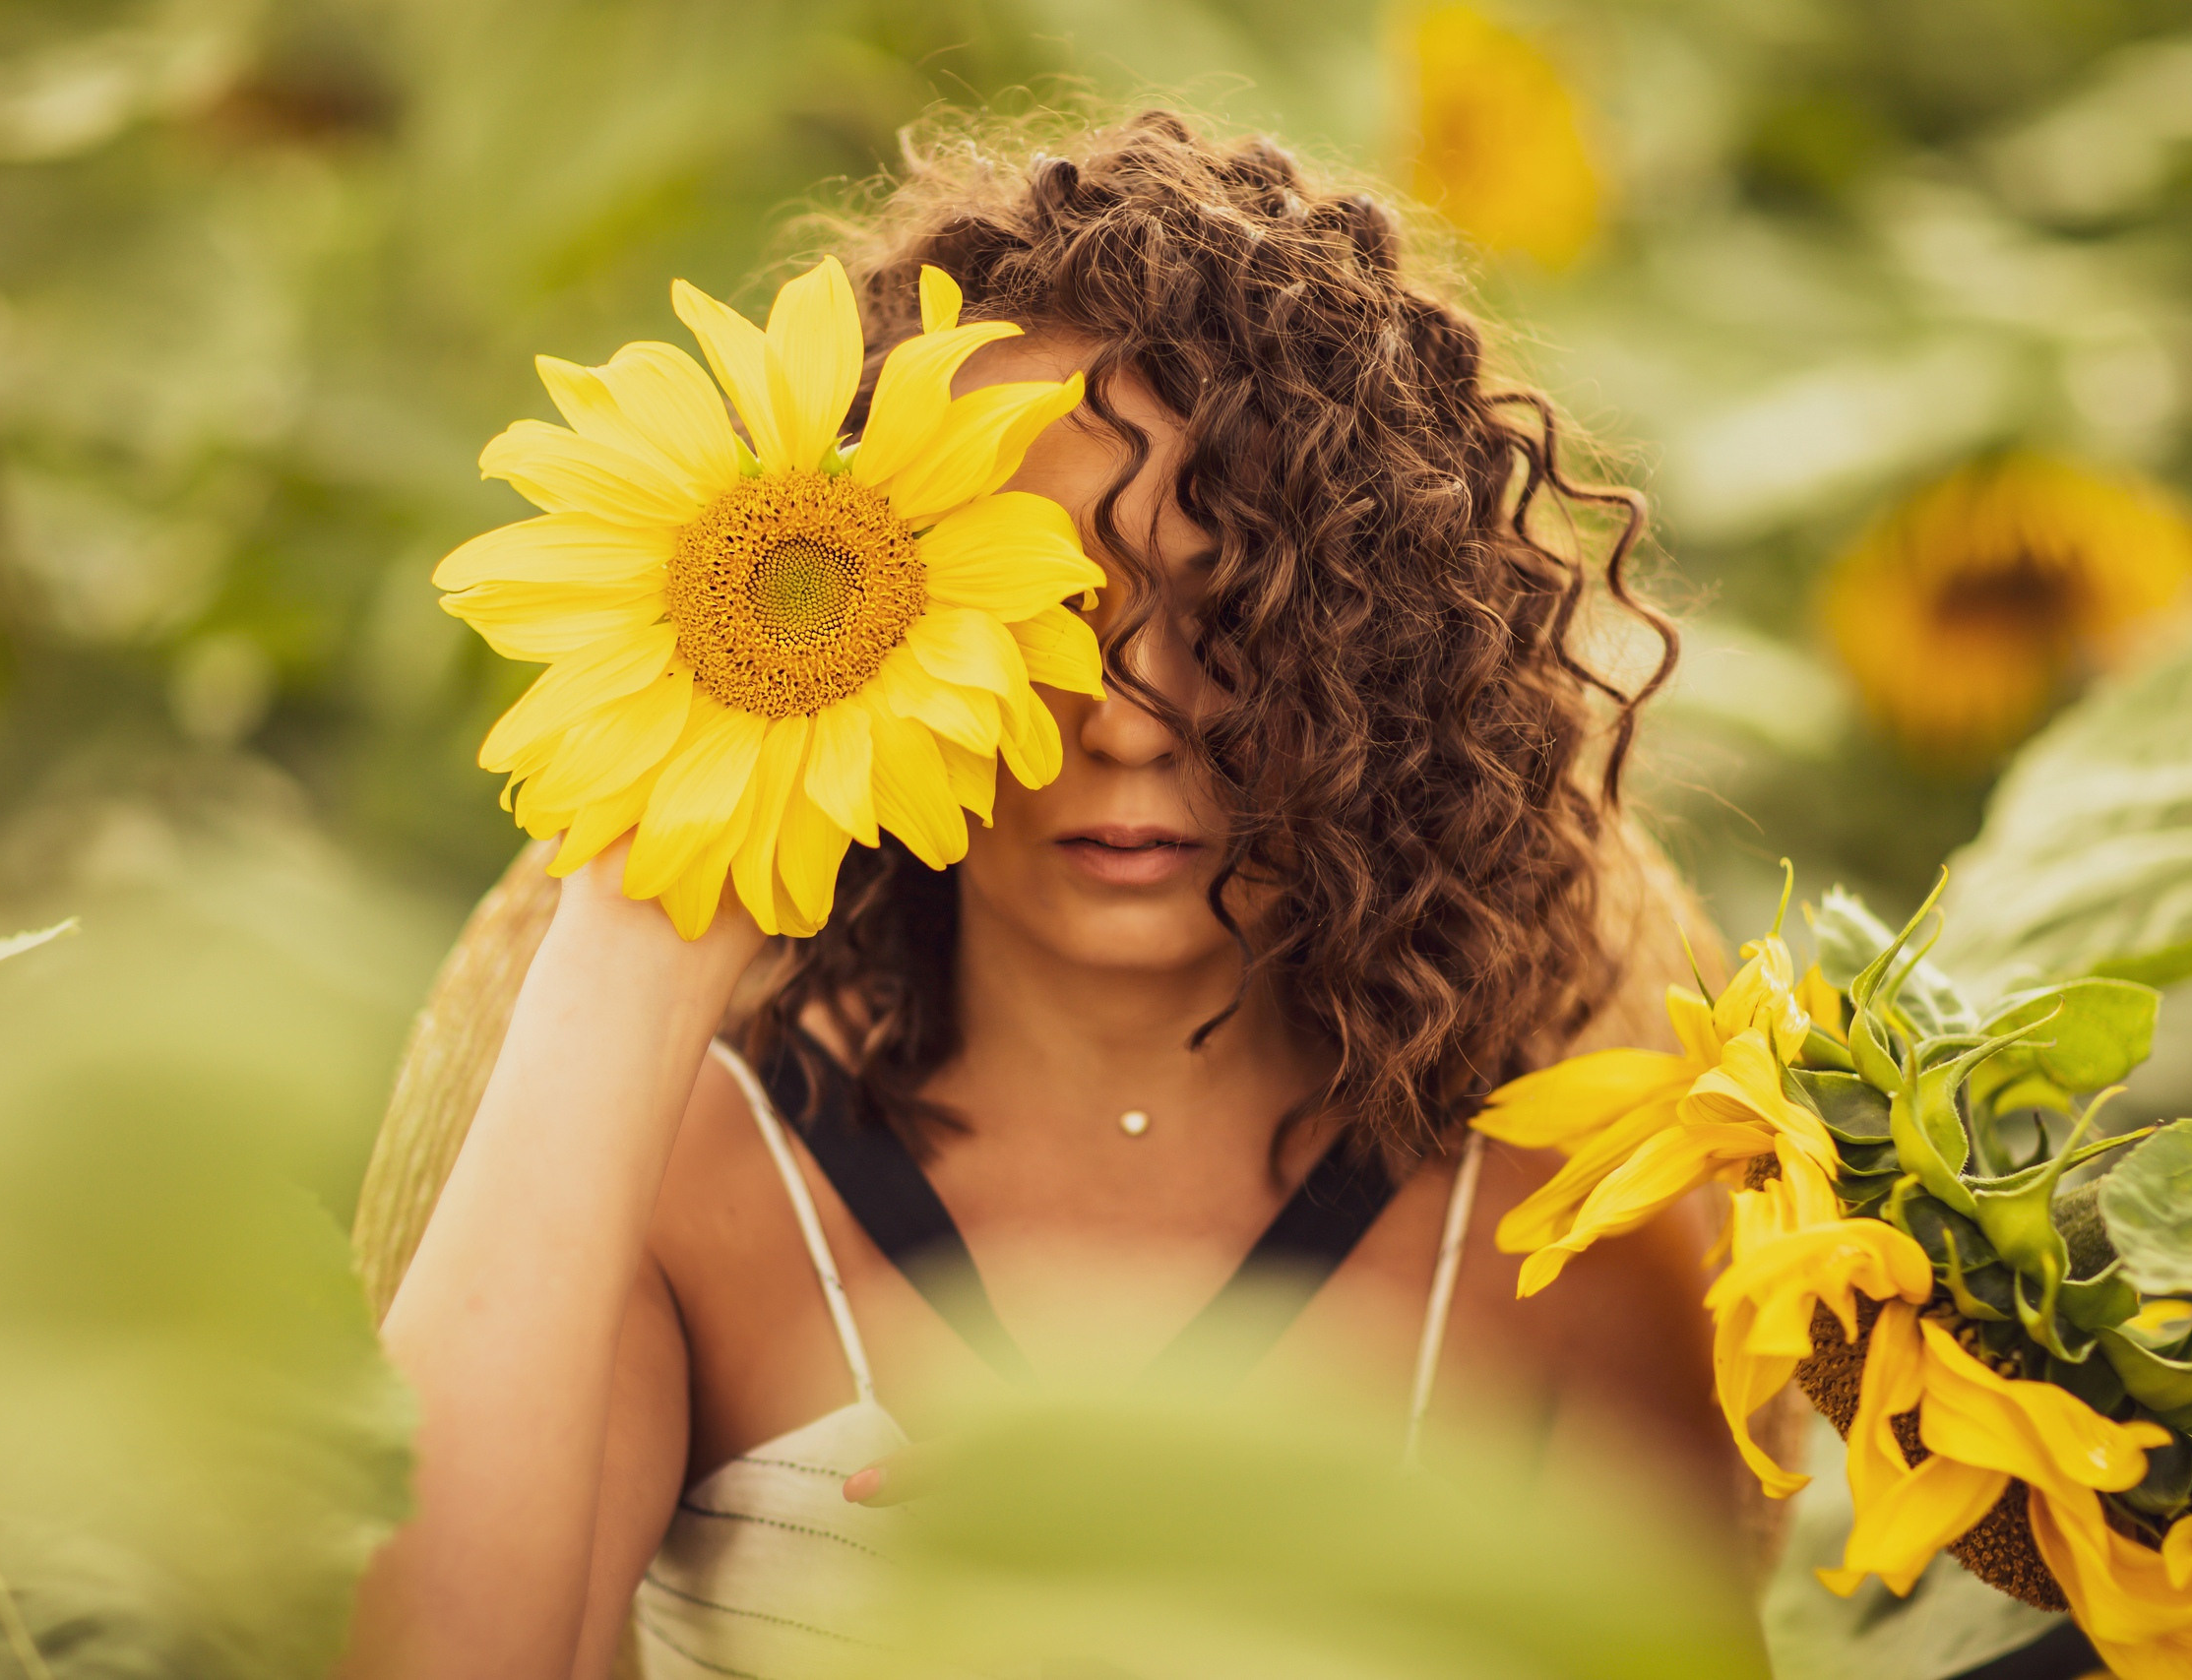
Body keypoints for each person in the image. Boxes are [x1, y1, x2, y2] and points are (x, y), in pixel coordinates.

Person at [343, 108, 1741, 1680]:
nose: (1132, 714)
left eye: (1241, 616)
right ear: (875, 624)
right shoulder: (693, 1191)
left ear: (1382, 670)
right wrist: (669, 858)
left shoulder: (1549, 1241)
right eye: (1047, 602)